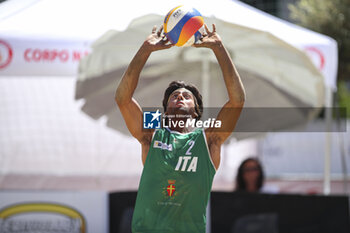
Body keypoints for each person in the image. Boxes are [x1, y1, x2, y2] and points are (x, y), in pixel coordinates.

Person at [115, 23, 245, 233]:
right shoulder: (153, 132)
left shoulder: (208, 138)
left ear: (195, 111)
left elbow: (237, 101)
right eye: (174, 97)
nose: (180, 98)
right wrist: (145, 49)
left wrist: (219, 48)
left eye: (186, 96)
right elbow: (122, 98)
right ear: (165, 112)